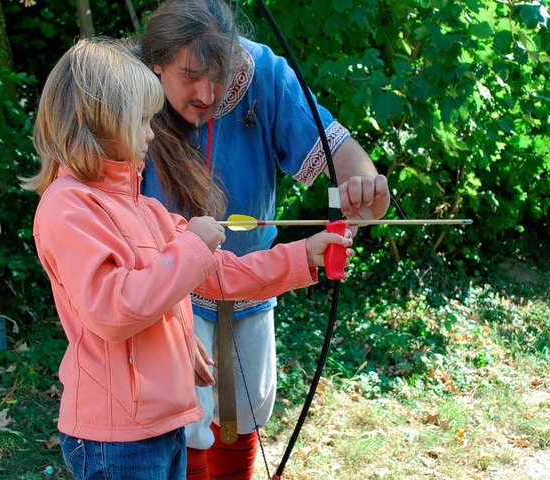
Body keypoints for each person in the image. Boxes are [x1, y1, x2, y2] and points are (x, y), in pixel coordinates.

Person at [22, 36, 354, 480]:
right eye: (141, 121)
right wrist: (192, 246)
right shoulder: (68, 208)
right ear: (102, 122)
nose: (151, 132)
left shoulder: (144, 208)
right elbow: (113, 308)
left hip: (162, 424)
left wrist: (302, 256)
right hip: (115, 439)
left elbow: (219, 275)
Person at [136, 1, 391, 478]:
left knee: (243, 413)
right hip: (164, 290)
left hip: (250, 282)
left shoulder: (261, 74)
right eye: (190, 75)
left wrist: (364, 187)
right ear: (157, 62)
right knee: (178, 424)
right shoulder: (126, 88)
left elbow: (346, 162)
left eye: (219, 75)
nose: (207, 93)